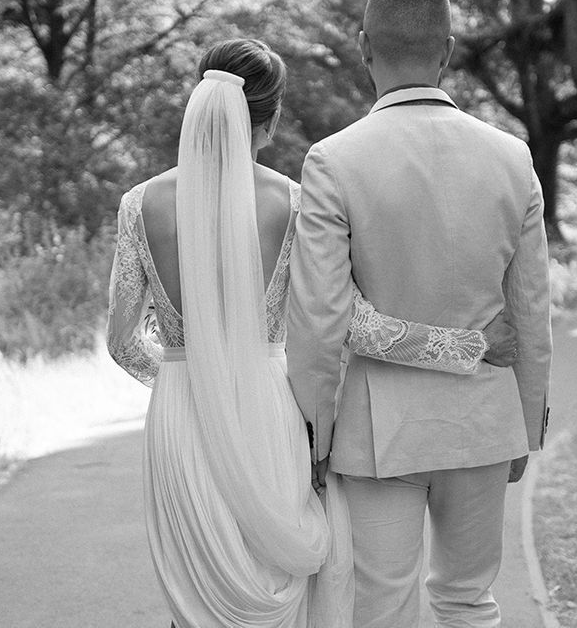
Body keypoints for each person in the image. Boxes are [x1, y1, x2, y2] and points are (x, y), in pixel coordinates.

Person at [106, 37, 519, 628]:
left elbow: (122, 343)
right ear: (269, 118)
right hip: (268, 417)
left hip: (181, 419)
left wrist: (193, 383)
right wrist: (470, 345)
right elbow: (354, 325)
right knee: (280, 587)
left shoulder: (138, 205)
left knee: (196, 601)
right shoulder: (292, 202)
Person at [286, 0, 553, 628]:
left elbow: (321, 316)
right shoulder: (512, 158)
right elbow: (531, 313)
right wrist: (525, 424)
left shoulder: (332, 160)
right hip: (486, 421)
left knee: (383, 607)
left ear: (364, 46)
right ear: (449, 50)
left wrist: (313, 435)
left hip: (379, 431)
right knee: (469, 600)